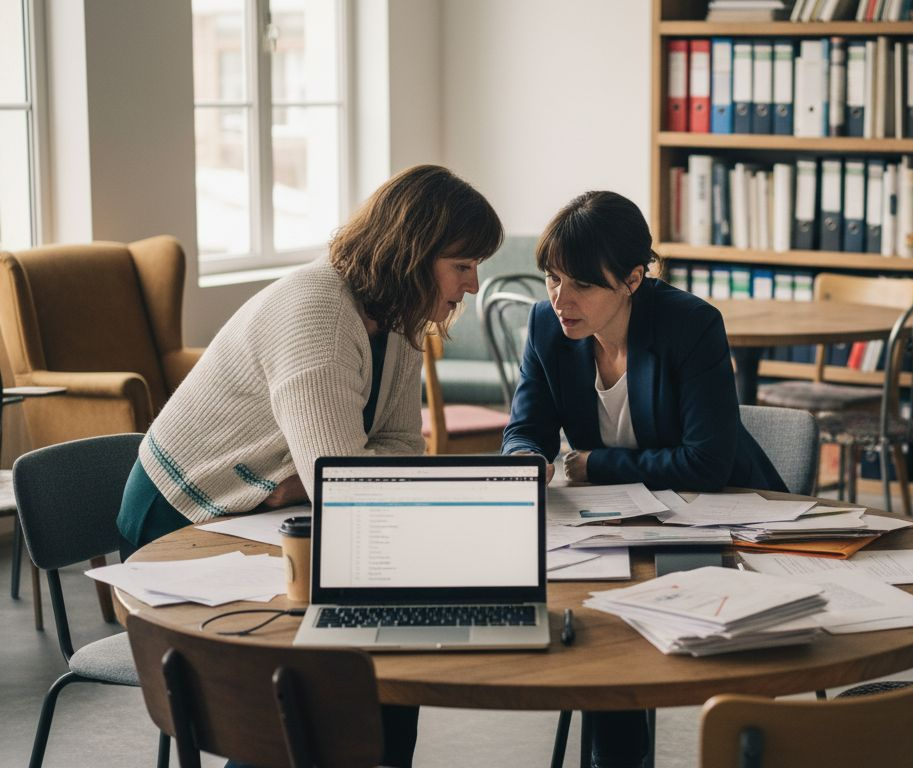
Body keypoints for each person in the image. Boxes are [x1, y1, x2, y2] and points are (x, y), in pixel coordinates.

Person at [116, 164, 504, 768]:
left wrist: (310, 480)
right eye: (463, 265)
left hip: (274, 506)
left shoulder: (398, 320)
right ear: (413, 254)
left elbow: (401, 453)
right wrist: (320, 479)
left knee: (389, 644)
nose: (474, 286)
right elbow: (347, 487)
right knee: (308, 671)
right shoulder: (318, 314)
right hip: (184, 514)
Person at [501, 190, 785, 768]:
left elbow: (705, 461)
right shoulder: (546, 324)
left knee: (635, 632)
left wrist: (593, 464)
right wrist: (528, 461)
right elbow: (525, 427)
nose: (560, 298)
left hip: (715, 518)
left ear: (633, 279)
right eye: (552, 278)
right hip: (612, 525)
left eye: (580, 284)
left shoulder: (691, 325)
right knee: (595, 626)